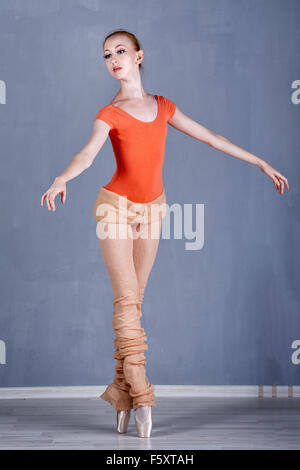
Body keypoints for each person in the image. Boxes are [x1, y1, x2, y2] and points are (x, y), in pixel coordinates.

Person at [41, 29, 289, 438]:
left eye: (121, 51)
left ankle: (120, 397)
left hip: (154, 210)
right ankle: (142, 395)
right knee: (125, 301)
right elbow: (87, 153)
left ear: (139, 56)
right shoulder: (110, 113)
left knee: (134, 304)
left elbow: (212, 137)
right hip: (115, 209)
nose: (113, 59)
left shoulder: (163, 106)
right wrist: (61, 178)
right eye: (107, 55)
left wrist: (260, 162)